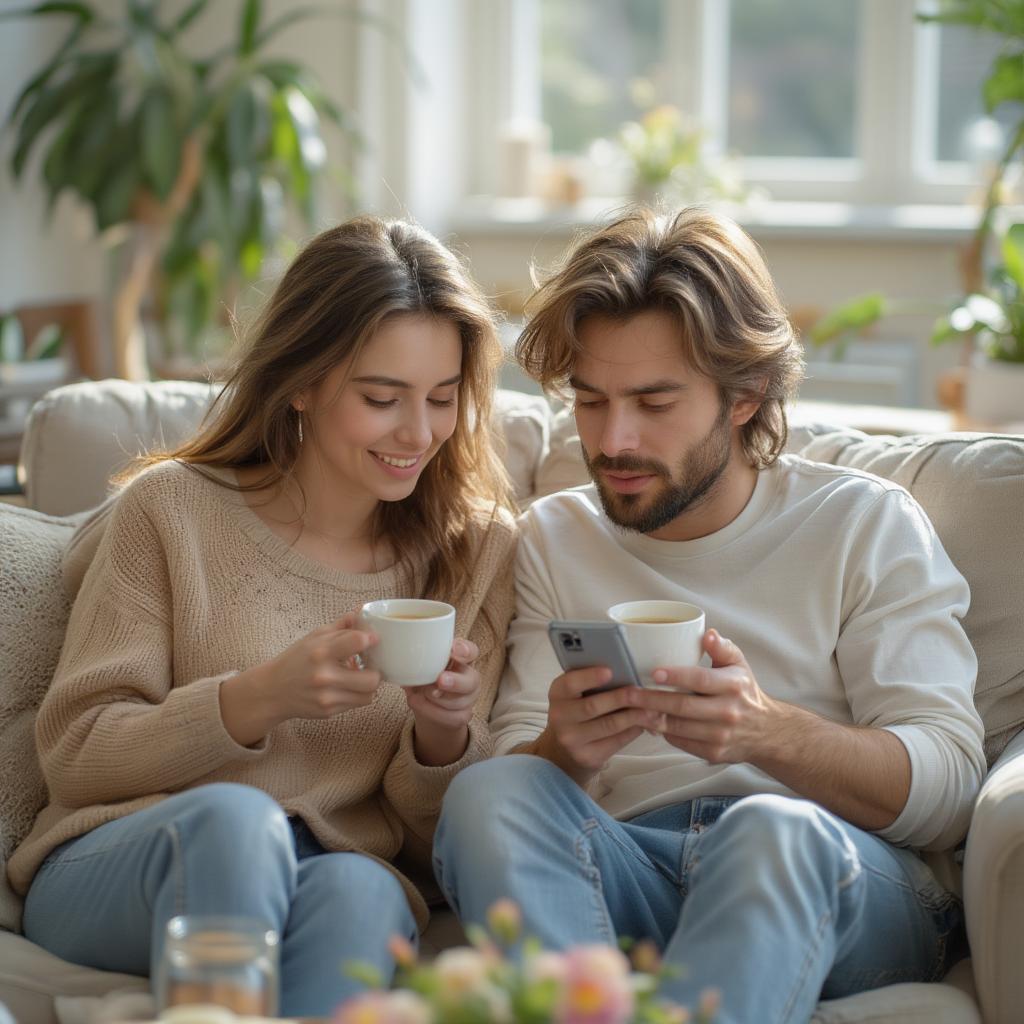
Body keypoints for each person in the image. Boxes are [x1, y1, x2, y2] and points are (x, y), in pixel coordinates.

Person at [433, 207, 985, 1023]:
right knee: (490, 793)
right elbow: (522, 762)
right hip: (630, 870)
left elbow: (949, 785)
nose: (614, 440)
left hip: (831, 878)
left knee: (771, 830)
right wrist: (564, 750)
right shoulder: (556, 533)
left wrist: (768, 733)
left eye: (654, 403)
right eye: (591, 402)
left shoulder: (864, 523)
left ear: (745, 394)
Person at [8, 216, 517, 1018]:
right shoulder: (171, 513)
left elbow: (431, 853)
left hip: (331, 867)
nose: (417, 433)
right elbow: (75, 754)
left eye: (443, 399)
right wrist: (259, 697)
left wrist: (443, 736)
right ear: (302, 382)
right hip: (124, 859)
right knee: (236, 822)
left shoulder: (475, 550)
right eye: (382, 398)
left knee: (363, 891)